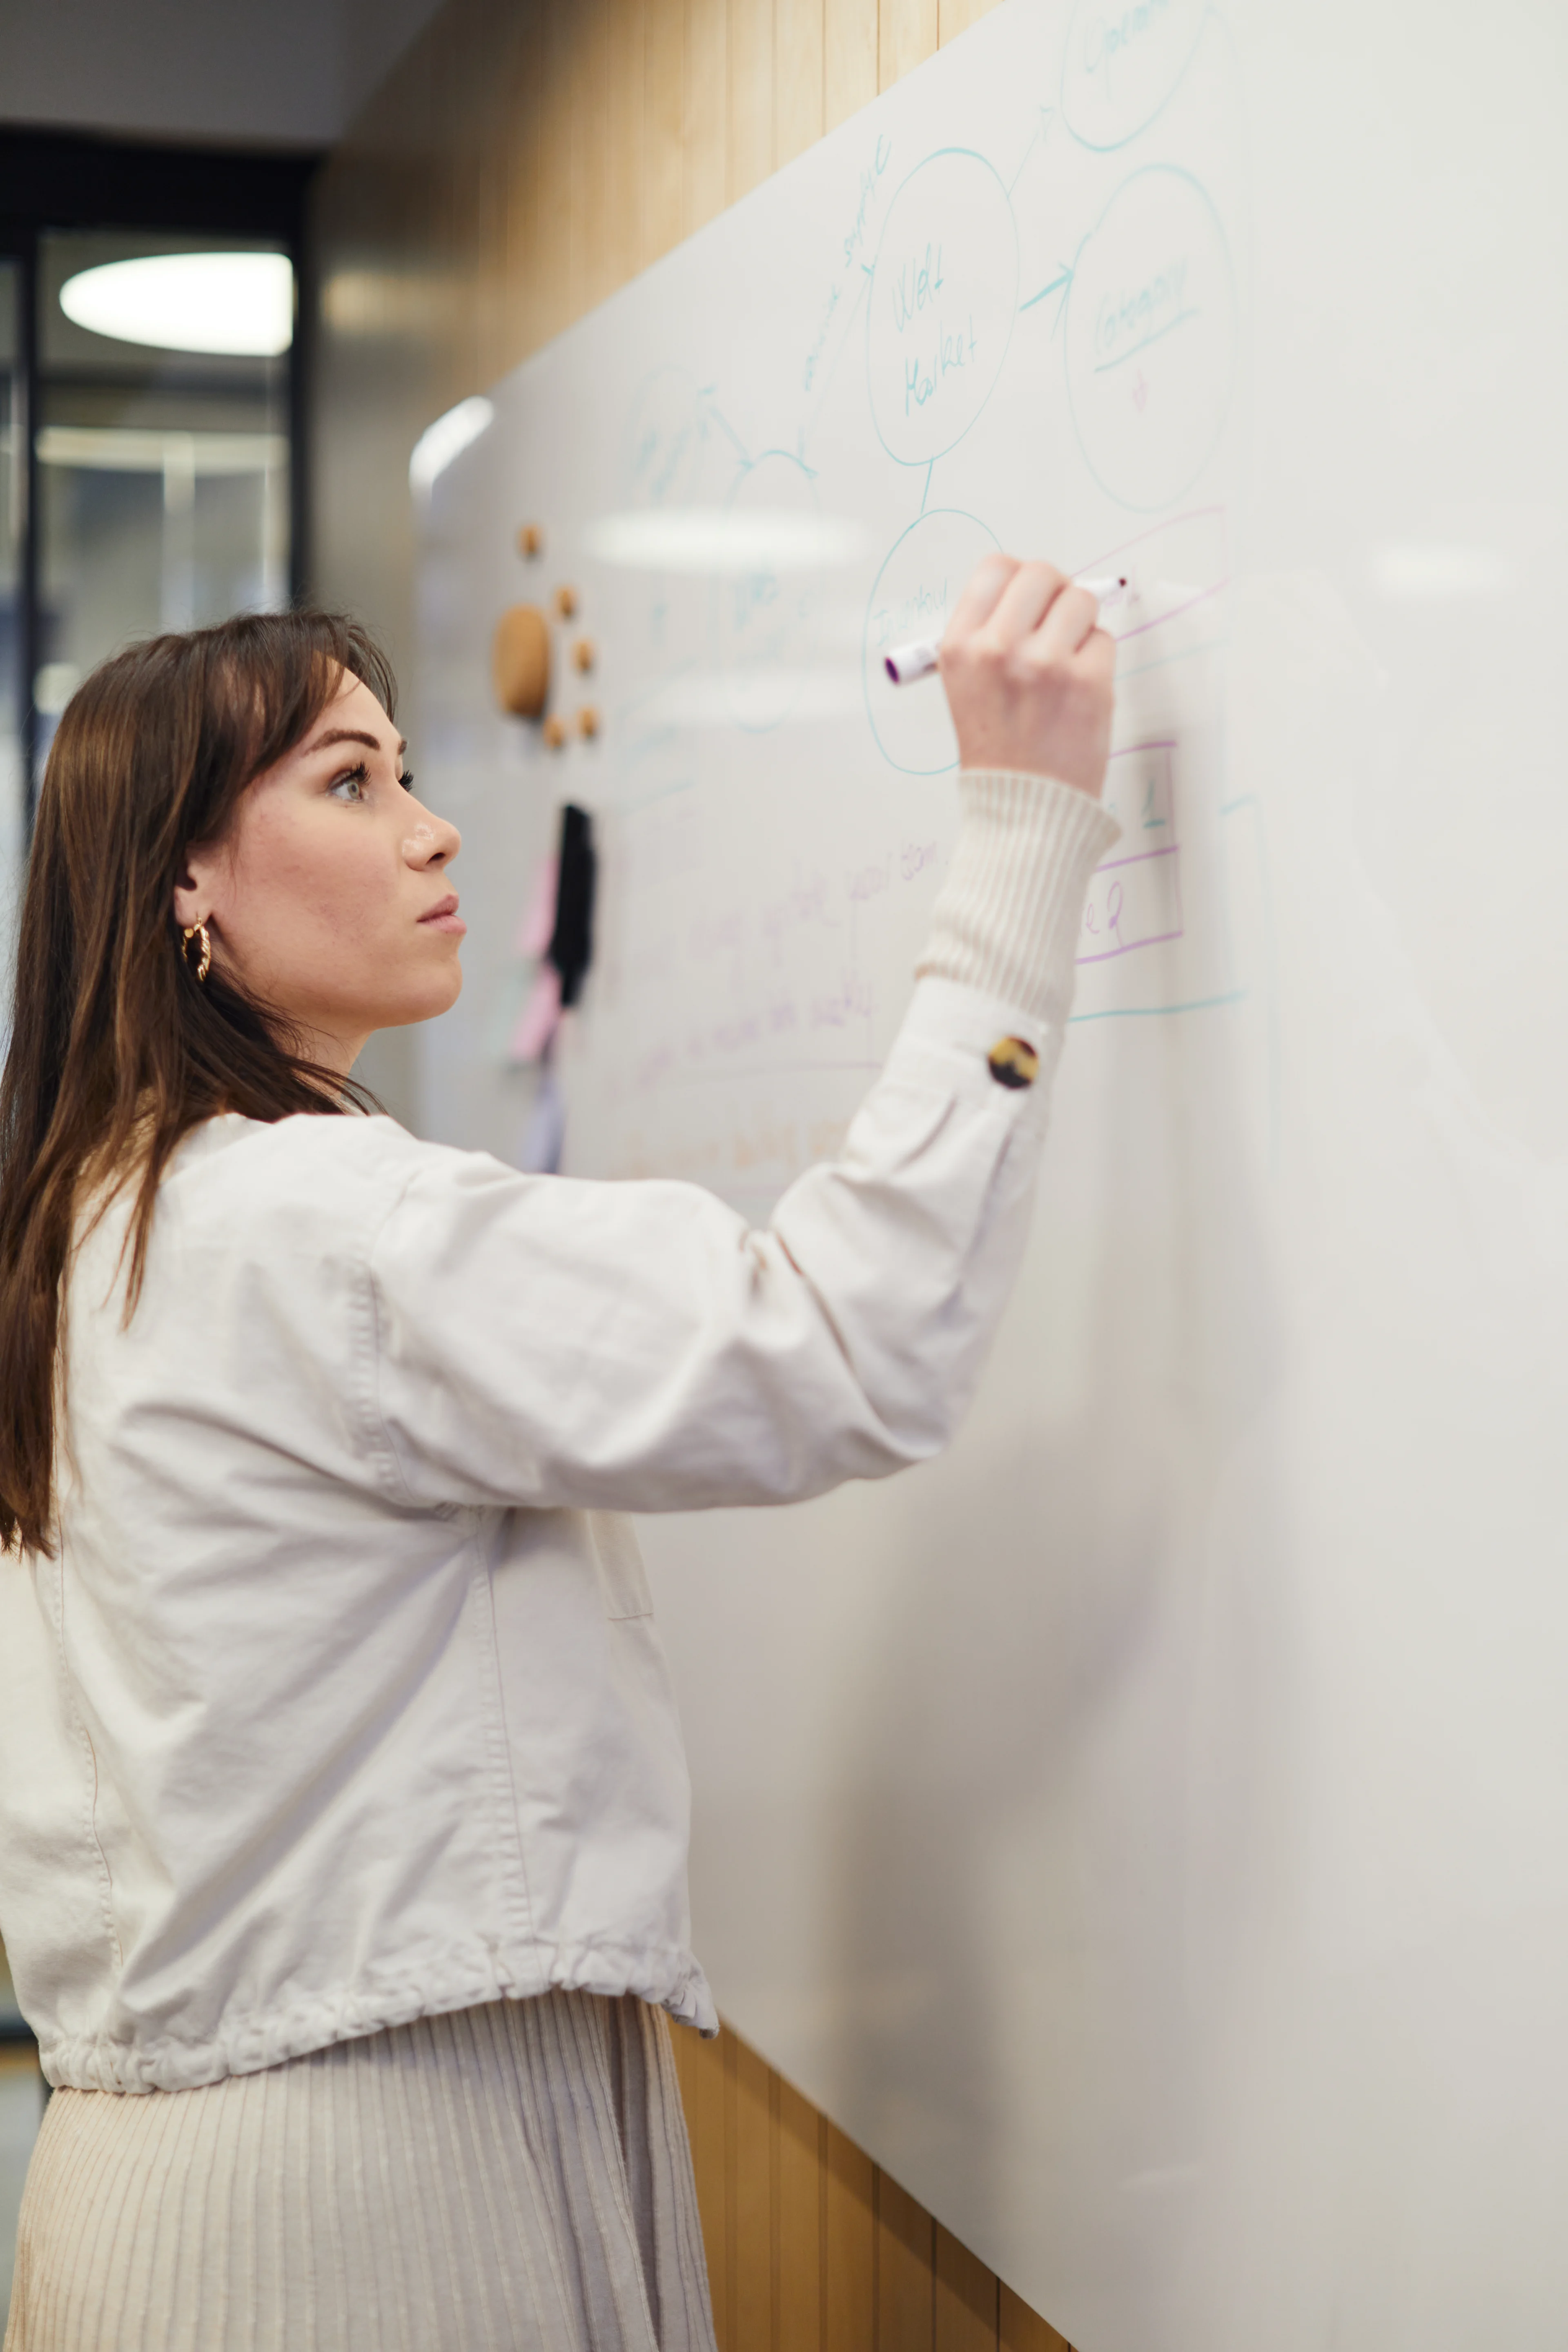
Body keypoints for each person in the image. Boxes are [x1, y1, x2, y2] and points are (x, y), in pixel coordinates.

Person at [0, 554, 1116, 2352]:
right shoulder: (318, 1221)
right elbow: (853, 1339)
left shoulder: (87, 1233)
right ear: (184, 880)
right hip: (369, 2201)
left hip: (156, 2182)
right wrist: (1023, 832)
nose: (435, 835)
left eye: (410, 772)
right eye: (351, 784)